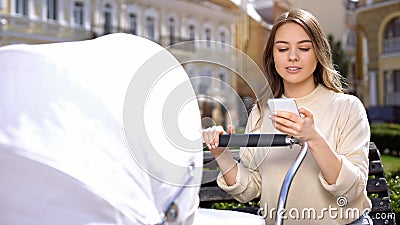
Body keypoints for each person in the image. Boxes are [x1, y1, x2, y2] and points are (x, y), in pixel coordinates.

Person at [202, 8, 372, 225]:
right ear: (273, 57)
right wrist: (221, 153)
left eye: (303, 48)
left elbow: (351, 190)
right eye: (282, 49)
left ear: (318, 53)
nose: (293, 56)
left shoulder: (347, 108)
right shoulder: (261, 113)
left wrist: (313, 138)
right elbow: (249, 189)